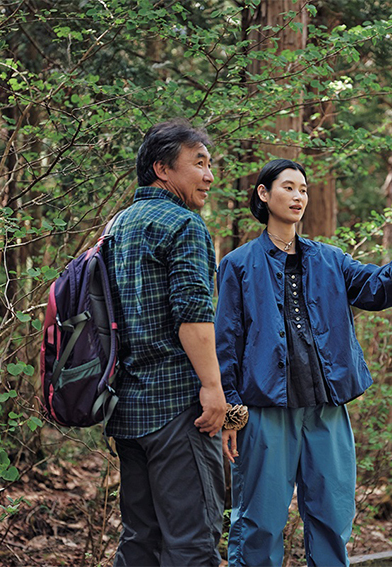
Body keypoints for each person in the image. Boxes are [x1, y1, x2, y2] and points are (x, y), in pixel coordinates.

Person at [215, 158, 392, 566]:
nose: (298, 196)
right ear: (264, 194)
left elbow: (374, 289)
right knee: (258, 522)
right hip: (265, 410)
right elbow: (226, 342)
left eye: (303, 189)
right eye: (288, 187)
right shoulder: (238, 264)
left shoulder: (331, 259)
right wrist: (230, 410)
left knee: (332, 517)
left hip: (327, 409)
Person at [104, 119, 227, 566]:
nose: (209, 175)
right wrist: (213, 389)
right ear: (162, 168)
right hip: (177, 411)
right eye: (198, 163)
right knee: (192, 541)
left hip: (127, 410)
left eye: (210, 164)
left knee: (140, 539)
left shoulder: (115, 226)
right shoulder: (184, 225)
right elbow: (193, 314)